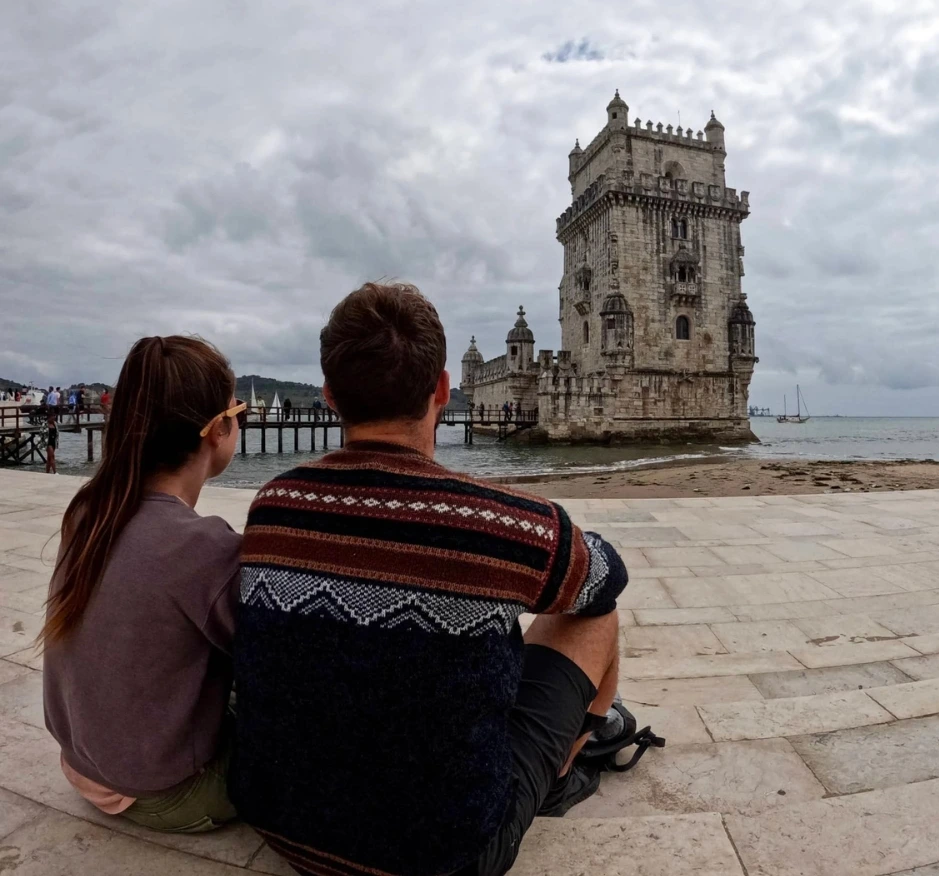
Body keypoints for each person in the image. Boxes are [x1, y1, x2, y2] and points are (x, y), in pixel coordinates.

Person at [231, 284, 629, 876]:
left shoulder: (272, 503)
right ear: (444, 389)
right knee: (594, 612)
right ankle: (565, 769)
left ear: (331, 396)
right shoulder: (497, 523)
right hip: (445, 856)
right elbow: (608, 575)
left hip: (281, 823)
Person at [42, 336, 248, 834]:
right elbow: (265, 657)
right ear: (217, 430)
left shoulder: (91, 509)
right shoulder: (202, 547)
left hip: (80, 763)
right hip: (166, 790)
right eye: (239, 410)